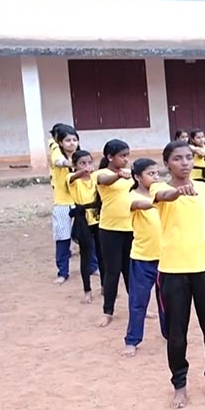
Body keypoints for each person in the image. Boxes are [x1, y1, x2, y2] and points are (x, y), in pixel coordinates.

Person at [151, 140, 205, 409]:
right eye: (178, 158)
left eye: (189, 158)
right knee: (176, 332)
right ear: (167, 163)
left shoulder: (202, 187)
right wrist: (177, 193)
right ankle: (179, 385)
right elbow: (164, 197)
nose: (185, 163)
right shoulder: (158, 188)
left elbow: (200, 219)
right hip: (173, 270)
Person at [122, 158, 166, 356]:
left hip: (166, 257)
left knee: (167, 301)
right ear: (138, 177)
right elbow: (140, 204)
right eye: (150, 174)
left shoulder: (163, 191)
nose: (155, 177)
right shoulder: (131, 196)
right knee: (138, 302)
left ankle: (169, 334)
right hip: (142, 258)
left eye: (157, 173)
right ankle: (132, 340)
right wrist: (160, 200)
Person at [95, 139, 134, 327]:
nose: (126, 159)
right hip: (110, 230)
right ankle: (107, 311)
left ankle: (137, 307)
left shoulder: (129, 175)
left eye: (127, 156)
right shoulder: (101, 174)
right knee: (112, 271)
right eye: (122, 156)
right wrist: (119, 175)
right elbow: (105, 180)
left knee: (130, 271)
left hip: (131, 228)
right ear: (110, 157)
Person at [66, 148, 104, 303]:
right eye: (82, 163)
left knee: (102, 255)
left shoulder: (95, 177)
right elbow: (73, 176)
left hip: (98, 218)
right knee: (86, 255)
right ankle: (87, 290)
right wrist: (82, 172)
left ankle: (104, 286)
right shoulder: (72, 178)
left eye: (89, 162)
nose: (87, 166)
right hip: (83, 220)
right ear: (75, 165)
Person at [49, 126, 81, 284]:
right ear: (60, 142)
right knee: (63, 238)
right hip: (62, 203)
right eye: (68, 140)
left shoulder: (81, 156)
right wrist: (73, 164)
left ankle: (92, 266)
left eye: (75, 140)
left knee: (88, 237)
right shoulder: (56, 152)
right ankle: (63, 272)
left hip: (80, 201)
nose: (72, 143)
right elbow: (59, 162)